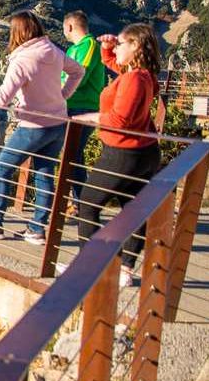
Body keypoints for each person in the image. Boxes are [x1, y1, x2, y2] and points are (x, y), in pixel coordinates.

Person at [0, 11, 85, 241]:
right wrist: (62, 96)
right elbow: (78, 71)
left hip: (33, 125)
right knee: (44, 173)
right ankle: (37, 229)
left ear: (16, 32)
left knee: (1, 168)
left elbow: (2, 99)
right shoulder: (53, 51)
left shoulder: (23, 59)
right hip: (58, 123)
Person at [65, 24, 165, 286]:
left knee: (88, 203)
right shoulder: (141, 75)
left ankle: (92, 264)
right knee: (131, 209)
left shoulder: (135, 79)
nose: (116, 47)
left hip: (123, 151)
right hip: (143, 151)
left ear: (136, 46)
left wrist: (90, 117)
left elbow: (121, 120)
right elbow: (112, 63)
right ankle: (125, 268)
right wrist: (108, 48)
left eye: (121, 43)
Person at [61, 10, 106, 191]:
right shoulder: (72, 49)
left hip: (83, 107)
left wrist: (58, 93)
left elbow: (81, 74)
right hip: (69, 106)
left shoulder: (89, 45)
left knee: (73, 154)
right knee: (72, 154)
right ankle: (77, 200)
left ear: (70, 26)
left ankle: (81, 202)